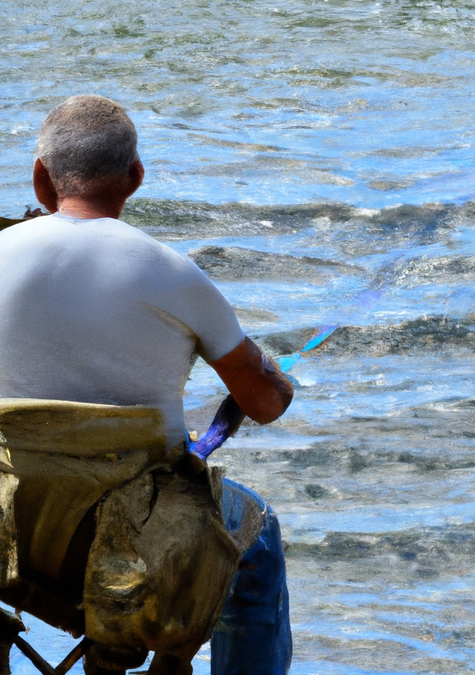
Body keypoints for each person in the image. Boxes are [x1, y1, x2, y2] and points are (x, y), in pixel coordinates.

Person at [0, 95, 294, 674]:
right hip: (134, 541)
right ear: (135, 177)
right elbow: (263, 404)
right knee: (258, 539)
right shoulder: (174, 273)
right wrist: (274, 377)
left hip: (11, 533)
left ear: (40, 178)